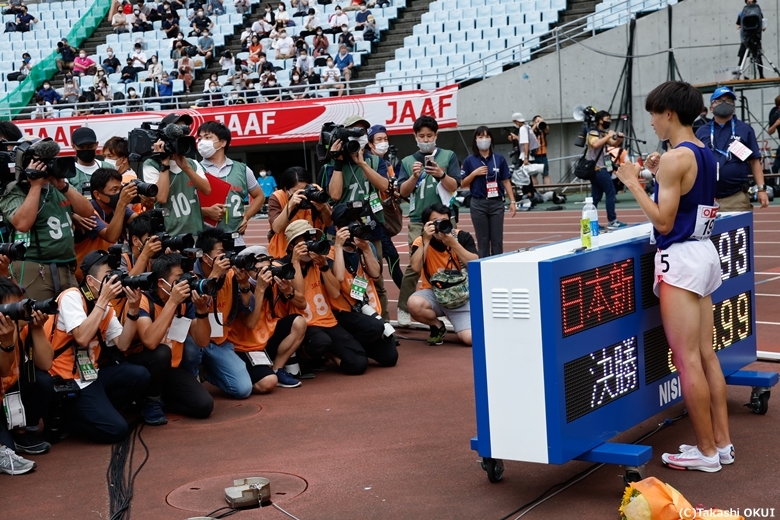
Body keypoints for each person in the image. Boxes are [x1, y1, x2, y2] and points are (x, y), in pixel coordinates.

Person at [615, 81, 734, 473]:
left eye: (652, 114)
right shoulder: (703, 151)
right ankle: (721, 443)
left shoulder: (673, 159)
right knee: (706, 355)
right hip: (704, 252)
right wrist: (657, 173)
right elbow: (688, 197)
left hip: (680, 259)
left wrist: (633, 182)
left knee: (686, 362)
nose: (650, 121)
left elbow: (665, 221)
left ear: (669, 113)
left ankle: (705, 452)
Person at [45, 251, 149, 443]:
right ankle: (70, 417)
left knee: (139, 375)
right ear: (91, 282)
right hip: (67, 378)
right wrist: (102, 301)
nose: (113, 282)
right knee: (117, 430)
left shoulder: (106, 307)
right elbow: (82, 337)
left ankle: (98, 410)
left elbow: (123, 344)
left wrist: (133, 310)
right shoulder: (72, 297)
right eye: (108, 277)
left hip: (92, 374)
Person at [125, 253, 214, 424]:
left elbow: (202, 341)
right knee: (161, 353)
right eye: (179, 279)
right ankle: (151, 401)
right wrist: (172, 302)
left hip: (170, 370)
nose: (185, 283)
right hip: (144, 368)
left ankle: (159, 399)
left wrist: (201, 310)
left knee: (204, 406)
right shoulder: (143, 300)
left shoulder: (184, 303)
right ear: (161, 283)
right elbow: (150, 342)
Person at [0, 146, 95, 300]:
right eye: (40, 162)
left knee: (72, 319)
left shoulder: (58, 186)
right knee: (37, 316)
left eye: (50, 160)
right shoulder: (14, 190)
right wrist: (36, 185)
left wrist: (63, 186)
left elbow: (87, 211)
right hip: (34, 266)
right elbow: (22, 224)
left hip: (66, 266)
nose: (47, 165)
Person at [395, 115, 460, 327]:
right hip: (417, 220)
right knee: (415, 265)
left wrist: (441, 174)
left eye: (429, 136)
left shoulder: (448, 156)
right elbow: (402, 191)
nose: (425, 139)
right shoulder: (406, 161)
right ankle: (404, 307)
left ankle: (454, 304)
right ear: (415, 136)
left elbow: (454, 187)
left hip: (444, 218)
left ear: (436, 135)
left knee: (452, 262)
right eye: (421, 136)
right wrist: (414, 177)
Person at [325, 115, 390, 320]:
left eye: (362, 132)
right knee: (341, 276)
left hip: (369, 225)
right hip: (342, 228)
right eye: (354, 131)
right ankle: (347, 320)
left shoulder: (375, 160)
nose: (358, 136)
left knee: (376, 277)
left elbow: (384, 186)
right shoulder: (333, 164)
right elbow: (334, 195)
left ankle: (383, 320)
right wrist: (337, 162)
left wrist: (362, 164)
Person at [283, 220, 369, 375]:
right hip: (304, 325)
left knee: (358, 364)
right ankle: (303, 356)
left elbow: (335, 292)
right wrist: (296, 261)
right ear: (291, 246)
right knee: (320, 341)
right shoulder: (284, 266)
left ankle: (329, 354)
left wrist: (323, 266)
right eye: (304, 240)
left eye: (312, 239)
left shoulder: (320, 262)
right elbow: (300, 297)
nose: (310, 244)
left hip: (328, 321)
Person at [330, 204, 398, 367]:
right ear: (338, 228)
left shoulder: (364, 247)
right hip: (343, 312)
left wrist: (367, 249)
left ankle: (354, 346)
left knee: (390, 357)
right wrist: (339, 246)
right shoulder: (331, 252)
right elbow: (338, 277)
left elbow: (376, 274)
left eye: (356, 223)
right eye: (348, 225)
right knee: (374, 329)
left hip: (364, 309)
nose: (354, 228)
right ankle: (338, 348)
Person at [229, 247, 307, 390]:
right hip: (244, 345)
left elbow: (303, 304)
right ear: (245, 271)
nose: (264, 274)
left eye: (267, 268)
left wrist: (288, 291)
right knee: (267, 383)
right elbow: (250, 323)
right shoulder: (239, 286)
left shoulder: (275, 277)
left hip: (267, 337)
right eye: (258, 270)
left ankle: (277, 368)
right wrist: (260, 289)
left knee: (299, 322)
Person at [193, 228, 255, 398]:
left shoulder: (230, 276)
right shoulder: (190, 276)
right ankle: (193, 375)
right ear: (205, 257)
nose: (226, 257)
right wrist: (213, 277)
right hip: (193, 343)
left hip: (219, 342)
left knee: (243, 389)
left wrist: (244, 285)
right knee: (191, 353)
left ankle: (208, 372)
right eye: (220, 253)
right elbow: (195, 309)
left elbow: (248, 308)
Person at [407, 203, 477, 345]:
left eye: (444, 221)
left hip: (461, 295)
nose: (440, 225)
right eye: (436, 222)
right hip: (434, 293)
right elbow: (415, 267)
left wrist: (453, 244)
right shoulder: (420, 241)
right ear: (427, 224)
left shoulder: (461, 236)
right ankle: (437, 326)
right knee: (414, 304)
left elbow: (475, 264)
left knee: (471, 339)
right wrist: (426, 240)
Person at [0, 278, 54, 459]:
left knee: (43, 380)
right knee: (8, 453)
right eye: (12, 308)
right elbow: (4, 369)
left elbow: (46, 364)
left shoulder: (22, 325)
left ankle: (23, 433)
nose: (19, 311)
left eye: (20, 304)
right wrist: (12, 332)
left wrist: (37, 328)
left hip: (13, 390)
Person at [696, 87, 770, 211]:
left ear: (734, 106)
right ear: (711, 108)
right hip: (706, 197)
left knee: (737, 230)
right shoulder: (701, 131)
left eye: (729, 100)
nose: (724, 103)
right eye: (719, 100)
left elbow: (754, 161)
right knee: (710, 231)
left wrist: (761, 189)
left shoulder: (745, 129)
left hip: (736, 197)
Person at [197, 122, 265, 250]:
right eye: (200, 138)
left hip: (236, 239)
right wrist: (206, 212)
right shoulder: (194, 169)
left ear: (222, 143)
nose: (201, 142)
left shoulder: (242, 169)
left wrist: (247, 217)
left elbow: (259, 196)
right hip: (205, 241)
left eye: (207, 137)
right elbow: (187, 207)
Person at [142, 113, 212, 237]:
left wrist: (186, 168)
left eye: (184, 130)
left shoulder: (192, 163)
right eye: (176, 130)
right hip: (169, 236)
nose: (181, 135)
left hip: (196, 233)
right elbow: (161, 198)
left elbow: (207, 190)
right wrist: (164, 162)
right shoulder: (151, 164)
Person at [73, 168, 138, 281]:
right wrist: (122, 203)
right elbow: (111, 236)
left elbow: (139, 222)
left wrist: (149, 205)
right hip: (84, 276)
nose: (120, 193)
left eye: (120, 188)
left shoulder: (115, 207)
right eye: (114, 190)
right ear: (97, 194)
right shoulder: (88, 212)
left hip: (106, 272)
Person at [461, 126, 515, 257]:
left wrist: (512, 201)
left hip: (496, 203)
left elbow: (506, 180)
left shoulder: (499, 159)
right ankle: (483, 270)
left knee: (497, 241)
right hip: (478, 204)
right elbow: (462, 183)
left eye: (486, 136)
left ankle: (497, 268)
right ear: (475, 140)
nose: (484, 139)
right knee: (483, 241)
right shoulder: (470, 160)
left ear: (491, 139)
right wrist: (474, 173)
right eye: (480, 137)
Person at [366, 125, 403, 288]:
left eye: (386, 139)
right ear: (370, 144)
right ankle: (405, 298)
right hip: (370, 217)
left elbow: (390, 186)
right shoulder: (367, 162)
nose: (383, 143)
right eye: (379, 139)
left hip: (381, 213)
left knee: (385, 258)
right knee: (390, 257)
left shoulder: (385, 163)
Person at [268, 166, 332, 257]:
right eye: (297, 191)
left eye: (304, 190)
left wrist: (324, 209)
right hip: (283, 253)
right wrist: (290, 205)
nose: (303, 194)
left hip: (311, 251)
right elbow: (276, 228)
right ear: (286, 190)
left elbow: (329, 223)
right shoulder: (277, 197)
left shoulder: (315, 192)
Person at [587, 110, 627, 229]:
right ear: (600, 120)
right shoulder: (593, 132)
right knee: (610, 192)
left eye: (610, 119)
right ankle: (612, 220)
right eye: (606, 119)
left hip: (599, 169)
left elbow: (614, 144)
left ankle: (589, 222)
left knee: (595, 198)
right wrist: (609, 135)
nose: (609, 121)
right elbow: (595, 144)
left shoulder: (602, 134)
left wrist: (619, 139)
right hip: (599, 169)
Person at [70, 127, 115, 196]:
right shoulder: (69, 172)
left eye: (90, 147)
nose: (86, 150)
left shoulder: (109, 167)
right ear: (74, 146)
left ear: (96, 144)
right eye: (81, 147)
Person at [736, 0, 766, 78]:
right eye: (748, 2)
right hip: (746, 37)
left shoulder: (759, 12)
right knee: (742, 56)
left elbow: (762, 22)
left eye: (752, 2)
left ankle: (761, 75)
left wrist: (762, 27)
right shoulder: (742, 13)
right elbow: (738, 24)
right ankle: (740, 75)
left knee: (758, 55)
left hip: (755, 37)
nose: (750, 4)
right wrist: (739, 27)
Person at [530, 115, 551, 186]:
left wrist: (543, 123)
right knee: (534, 175)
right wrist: (536, 125)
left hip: (543, 155)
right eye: (538, 121)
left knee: (546, 174)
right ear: (533, 122)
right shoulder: (531, 130)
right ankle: (536, 191)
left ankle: (549, 191)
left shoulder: (543, 130)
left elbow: (547, 130)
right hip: (533, 156)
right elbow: (529, 134)